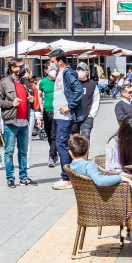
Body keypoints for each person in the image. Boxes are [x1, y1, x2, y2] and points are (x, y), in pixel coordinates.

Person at [67, 134, 132, 257]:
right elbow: (100, 181)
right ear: (88, 150)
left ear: (70, 153)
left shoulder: (73, 166)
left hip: (93, 201)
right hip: (108, 201)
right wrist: (120, 177)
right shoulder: (88, 165)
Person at [0, 58, 39, 188]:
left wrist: (30, 98)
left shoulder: (25, 82)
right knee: (9, 151)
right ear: (13, 68)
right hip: (11, 121)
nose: (22, 68)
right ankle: (10, 178)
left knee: (23, 151)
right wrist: (11, 104)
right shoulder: (4, 82)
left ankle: (24, 177)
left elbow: (29, 96)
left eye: (22, 66)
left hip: (24, 121)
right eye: (19, 66)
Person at [49, 50, 83, 190]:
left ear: (60, 61)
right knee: (60, 143)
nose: (51, 64)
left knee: (61, 145)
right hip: (58, 115)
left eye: (53, 61)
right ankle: (68, 176)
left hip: (64, 117)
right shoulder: (59, 74)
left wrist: (69, 106)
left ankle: (67, 178)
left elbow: (78, 90)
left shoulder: (68, 73)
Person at [39, 65, 58, 167]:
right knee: (49, 134)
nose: (52, 71)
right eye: (50, 69)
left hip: (57, 111)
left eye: (53, 69)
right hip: (47, 111)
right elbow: (39, 94)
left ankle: (51, 156)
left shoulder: (59, 80)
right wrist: (41, 106)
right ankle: (54, 152)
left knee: (54, 135)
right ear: (46, 71)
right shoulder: (43, 82)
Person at [74, 62, 100, 140]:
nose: (79, 72)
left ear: (87, 72)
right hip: (74, 116)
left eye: (82, 70)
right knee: (74, 139)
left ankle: (85, 152)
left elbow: (96, 99)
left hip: (87, 117)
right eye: (78, 69)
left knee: (85, 138)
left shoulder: (92, 84)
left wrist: (91, 114)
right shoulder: (73, 83)